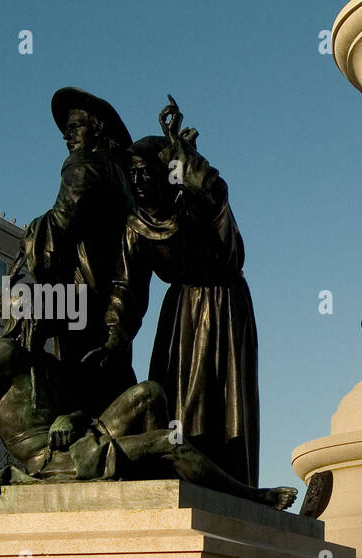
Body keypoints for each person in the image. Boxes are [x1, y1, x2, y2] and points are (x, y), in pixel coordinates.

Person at [0, 300, 295, 510]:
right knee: (169, 442)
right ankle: (251, 496)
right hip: (51, 462)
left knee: (150, 392)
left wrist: (69, 417)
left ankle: (155, 481)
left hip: (82, 441)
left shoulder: (49, 364)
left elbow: (81, 414)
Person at [104, 95, 260, 486]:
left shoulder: (192, 203)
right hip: (180, 315)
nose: (138, 181)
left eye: (145, 172)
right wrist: (113, 335)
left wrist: (178, 149)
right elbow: (127, 287)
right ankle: (180, 472)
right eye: (131, 174)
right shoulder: (136, 224)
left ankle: (224, 481)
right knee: (177, 401)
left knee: (219, 405)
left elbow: (213, 191)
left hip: (221, 304)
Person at [13, 87, 137, 418]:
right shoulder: (120, 176)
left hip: (82, 299)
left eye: (74, 126)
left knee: (79, 393)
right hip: (114, 304)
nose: (66, 136)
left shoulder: (82, 166)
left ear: (96, 127)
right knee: (111, 395)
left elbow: (57, 230)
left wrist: (30, 238)